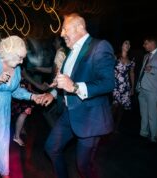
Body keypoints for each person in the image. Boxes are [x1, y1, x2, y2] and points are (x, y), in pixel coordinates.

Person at [0, 35, 53, 178]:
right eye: (19, 57)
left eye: (22, 58)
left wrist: (33, 96)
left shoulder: (17, 69)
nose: (21, 61)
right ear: (9, 52)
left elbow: (15, 90)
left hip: (2, 110)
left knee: (0, 140)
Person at [44, 13, 116, 178]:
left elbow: (108, 83)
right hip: (70, 113)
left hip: (90, 117)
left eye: (64, 29)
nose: (61, 34)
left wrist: (74, 86)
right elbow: (65, 79)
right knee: (51, 148)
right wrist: (53, 94)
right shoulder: (71, 51)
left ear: (79, 27)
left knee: (83, 166)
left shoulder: (100, 46)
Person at [112, 40, 136, 133]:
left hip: (125, 86)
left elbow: (132, 74)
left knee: (121, 108)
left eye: (129, 44)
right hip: (115, 85)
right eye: (126, 43)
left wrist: (132, 87)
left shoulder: (131, 61)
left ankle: (116, 127)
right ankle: (107, 126)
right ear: (121, 45)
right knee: (114, 106)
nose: (128, 45)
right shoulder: (115, 57)